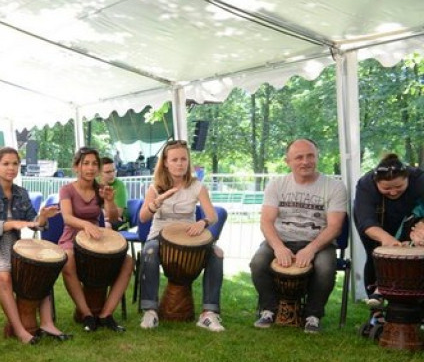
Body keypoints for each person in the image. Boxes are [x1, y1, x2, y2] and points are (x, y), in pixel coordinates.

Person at [0, 146, 66, 344]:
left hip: (14, 245)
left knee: (40, 268)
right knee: (4, 278)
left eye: (15, 164)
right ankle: (20, 331)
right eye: (5, 164)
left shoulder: (21, 193)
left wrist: (43, 217)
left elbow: (34, 221)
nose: (11, 168)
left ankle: (47, 323)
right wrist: (13, 223)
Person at [249, 138, 347, 333]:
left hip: (318, 242)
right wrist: (278, 247)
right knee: (258, 263)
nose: (305, 161)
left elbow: (335, 227)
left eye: (310, 156)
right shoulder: (277, 185)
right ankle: (269, 309)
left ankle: (313, 315)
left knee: (326, 268)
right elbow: (266, 221)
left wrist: (311, 249)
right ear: (288, 161)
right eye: (299, 157)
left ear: (317, 157)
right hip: (281, 239)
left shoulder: (334, 187)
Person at [138, 139, 225, 332]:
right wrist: (156, 202)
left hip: (188, 237)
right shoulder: (155, 187)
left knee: (217, 253)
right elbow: (143, 217)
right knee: (149, 251)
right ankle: (150, 311)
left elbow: (212, 215)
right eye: (175, 159)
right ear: (166, 163)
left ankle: (208, 313)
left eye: (183, 159)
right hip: (159, 236)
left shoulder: (197, 186)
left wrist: (202, 223)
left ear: (188, 162)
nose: (180, 163)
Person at [58, 148, 133, 332]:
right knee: (67, 261)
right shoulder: (67, 190)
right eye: (86, 163)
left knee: (128, 261)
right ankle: (86, 314)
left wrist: (110, 201)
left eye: (94, 164)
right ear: (77, 167)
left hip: (96, 239)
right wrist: (86, 225)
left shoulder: (100, 189)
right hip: (72, 239)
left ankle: (106, 314)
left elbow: (113, 218)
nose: (90, 168)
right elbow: (67, 217)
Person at [352, 153, 424, 303]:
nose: (393, 192)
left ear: (407, 179)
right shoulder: (366, 184)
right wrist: (388, 240)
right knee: (376, 257)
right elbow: (366, 221)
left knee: (415, 257)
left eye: (399, 186)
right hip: (375, 224)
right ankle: (376, 308)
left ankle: (415, 305)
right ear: (376, 182)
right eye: (386, 188)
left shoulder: (419, 179)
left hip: (410, 220)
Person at [100, 156, 129, 230]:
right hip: (101, 219)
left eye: (114, 170)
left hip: (119, 221)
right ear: (99, 173)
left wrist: (99, 216)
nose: (112, 174)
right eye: (108, 172)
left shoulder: (120, 185)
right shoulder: (93, 183)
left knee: (105, 225)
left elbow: (117, 215)